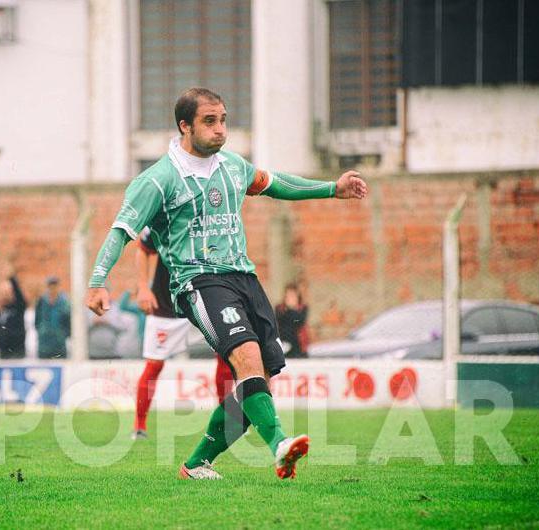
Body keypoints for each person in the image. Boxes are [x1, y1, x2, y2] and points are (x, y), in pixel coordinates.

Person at [86, 87, 367, 479]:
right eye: (209, 121)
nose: (220, 130)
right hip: (198, 281)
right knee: (247, 358)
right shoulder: (157, 180)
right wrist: (98, 281)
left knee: (257, 385)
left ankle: (196, 464)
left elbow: (275, 183)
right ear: (184, 126)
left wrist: (331, 189)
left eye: (223, 120)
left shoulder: (232, 166)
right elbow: (122, 231)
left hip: (244, 278)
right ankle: (280, 445)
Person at [131, 227, 234, 440]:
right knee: (154, 365)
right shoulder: (163, 215)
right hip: (166, 305)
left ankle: (226, 421)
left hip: (203, 301)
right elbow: (142, 249)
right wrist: (142, 287)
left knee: (226, 354)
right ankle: (139, 427)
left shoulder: (211, 215)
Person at [0, 274, 27, 359]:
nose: (5, 295)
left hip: (18, 352)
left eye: (8, 293)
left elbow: (20, 296)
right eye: (3, 293)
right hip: (3, 352)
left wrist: (11, 278)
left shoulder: (18, 307)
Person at [35, 276, 70, 359]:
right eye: (50, 286)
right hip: (44, 345)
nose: (53, 288)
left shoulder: (64, 303)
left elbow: (68, 322)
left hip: (59, 345)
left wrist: (63, 334)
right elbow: (37, 321)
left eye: (55, 285)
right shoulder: (42, 301)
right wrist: (42, 331)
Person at [275, 283, 309, 358]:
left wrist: (290, 310)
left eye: (292, 296)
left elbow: (298, 321)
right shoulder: (279, 308)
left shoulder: (303, 308)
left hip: (298, 347)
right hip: (284, 342)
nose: (289, 299)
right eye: (288, 296)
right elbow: (281, 321)